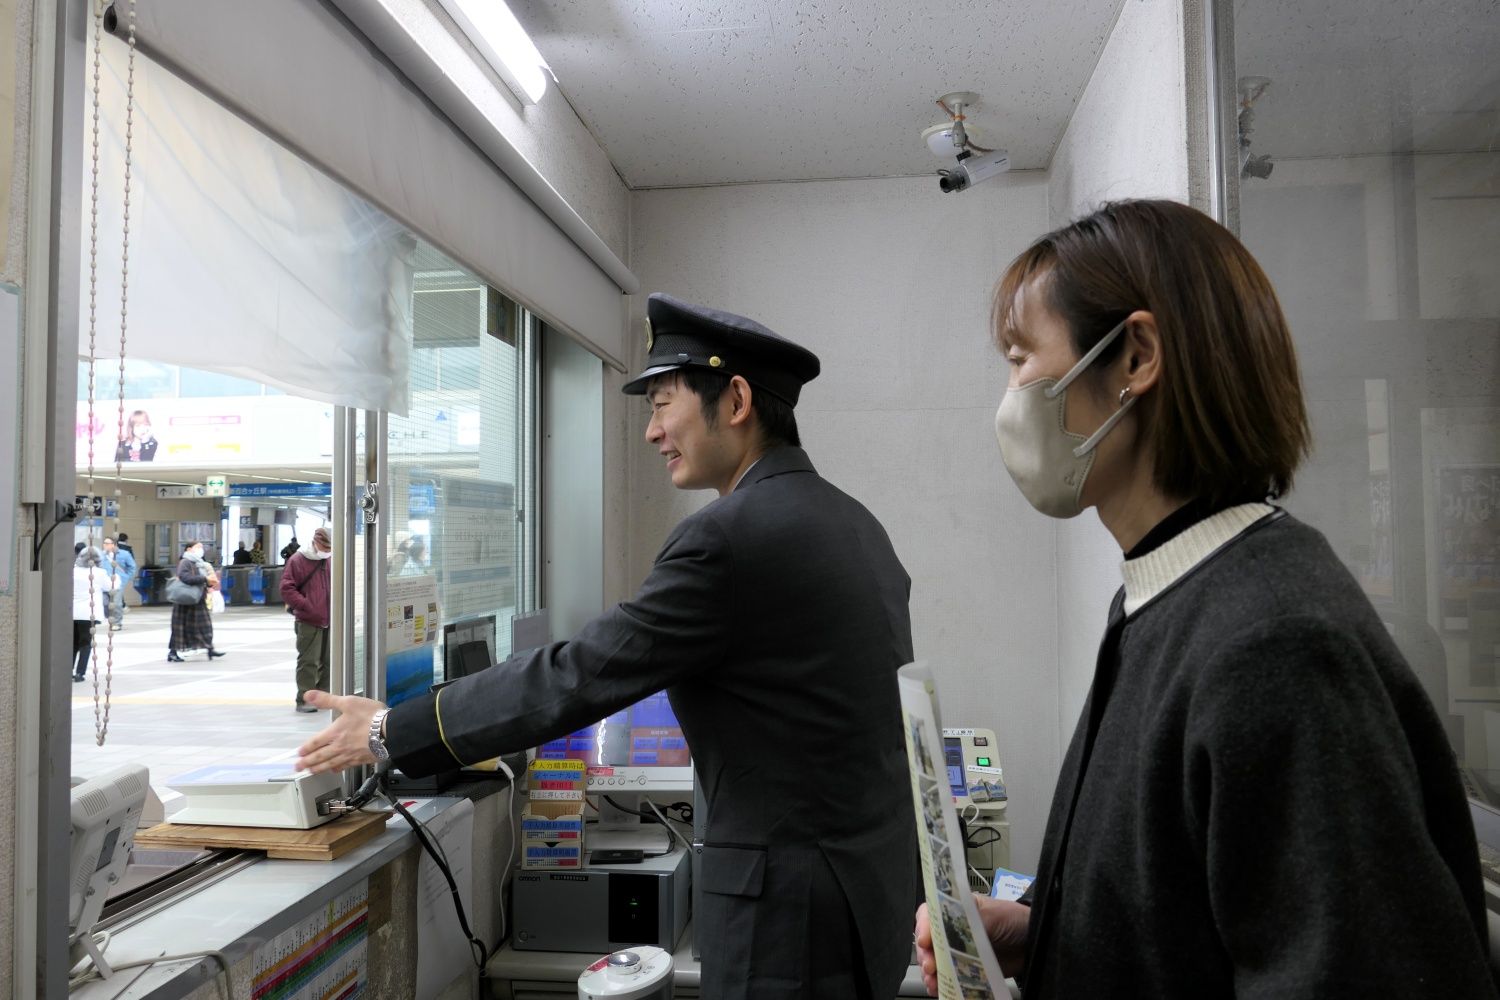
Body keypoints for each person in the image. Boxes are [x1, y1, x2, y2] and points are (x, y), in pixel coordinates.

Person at [913, 199, 1495, 998]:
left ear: (1134, 357)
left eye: (1021, 357)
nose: (1011, 393)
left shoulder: (1274, 642)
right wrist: (1044, 930)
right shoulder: (1171, 593)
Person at [297, 293, 921, 999]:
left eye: (662, 403)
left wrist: (390, 729)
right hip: (867, 893)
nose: (653, 431)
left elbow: (580, 674)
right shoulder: (856, 525)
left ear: (737, 399)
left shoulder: (726, 539)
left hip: (785, 916)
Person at [281, 527, 332, 713]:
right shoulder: (298, 559)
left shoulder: (331, 559)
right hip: (308, 619)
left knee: (329, 660)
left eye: (329, 548)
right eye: (324, 547)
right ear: (315, 542)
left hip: (331, 618)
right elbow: (286, 588)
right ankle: (304, 698)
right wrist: (305, 605)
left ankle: (324, 696)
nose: (326, 551)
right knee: (308, 661)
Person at [168, 541, 225, 662]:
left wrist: (208, 583)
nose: (201, 549)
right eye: (198, 547)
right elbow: (184, 577)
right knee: (180, 627)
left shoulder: (200, 563)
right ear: (189, 549)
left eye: (202, 547)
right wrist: (204, 578)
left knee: (205, 625)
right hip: (185, 599)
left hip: (198, 598)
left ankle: (210, 648)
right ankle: (173, 652)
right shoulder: (185, 562)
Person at [71, 547, 113, 682]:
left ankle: (67, 670)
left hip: (72, 613)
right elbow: (111, 586)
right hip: (89, 614)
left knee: (73, 643)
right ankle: (80, 673)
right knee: (85, 643)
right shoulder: (100, 573)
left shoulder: (73, 571)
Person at [101, 536, 136, 631]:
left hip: (118, 582)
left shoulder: (124, 554)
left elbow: (132, 567)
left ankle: (117, 622)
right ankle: (111, 618)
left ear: (114, 544)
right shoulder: (102, 555)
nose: (105, 545)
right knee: (104, 602)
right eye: (104, 543)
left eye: (107, 543)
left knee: (116, 603)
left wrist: (126, 578)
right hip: (105, 583)